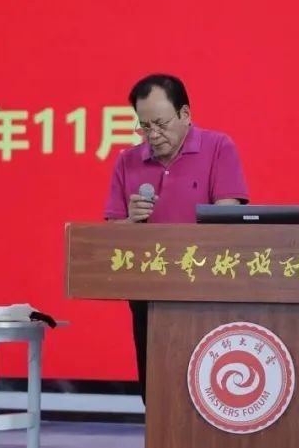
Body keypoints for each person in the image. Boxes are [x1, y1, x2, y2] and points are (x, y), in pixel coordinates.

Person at [104, 73, 249, 403]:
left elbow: (228, 222)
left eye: (161, 124)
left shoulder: (218, 148)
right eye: (144, 126)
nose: (153, 135)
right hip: (149, 293)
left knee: (211, 391)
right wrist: (130, 221)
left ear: (185, 114)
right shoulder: (127, 161)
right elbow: (110, 239)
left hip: (208, 291)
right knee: (157, 393)